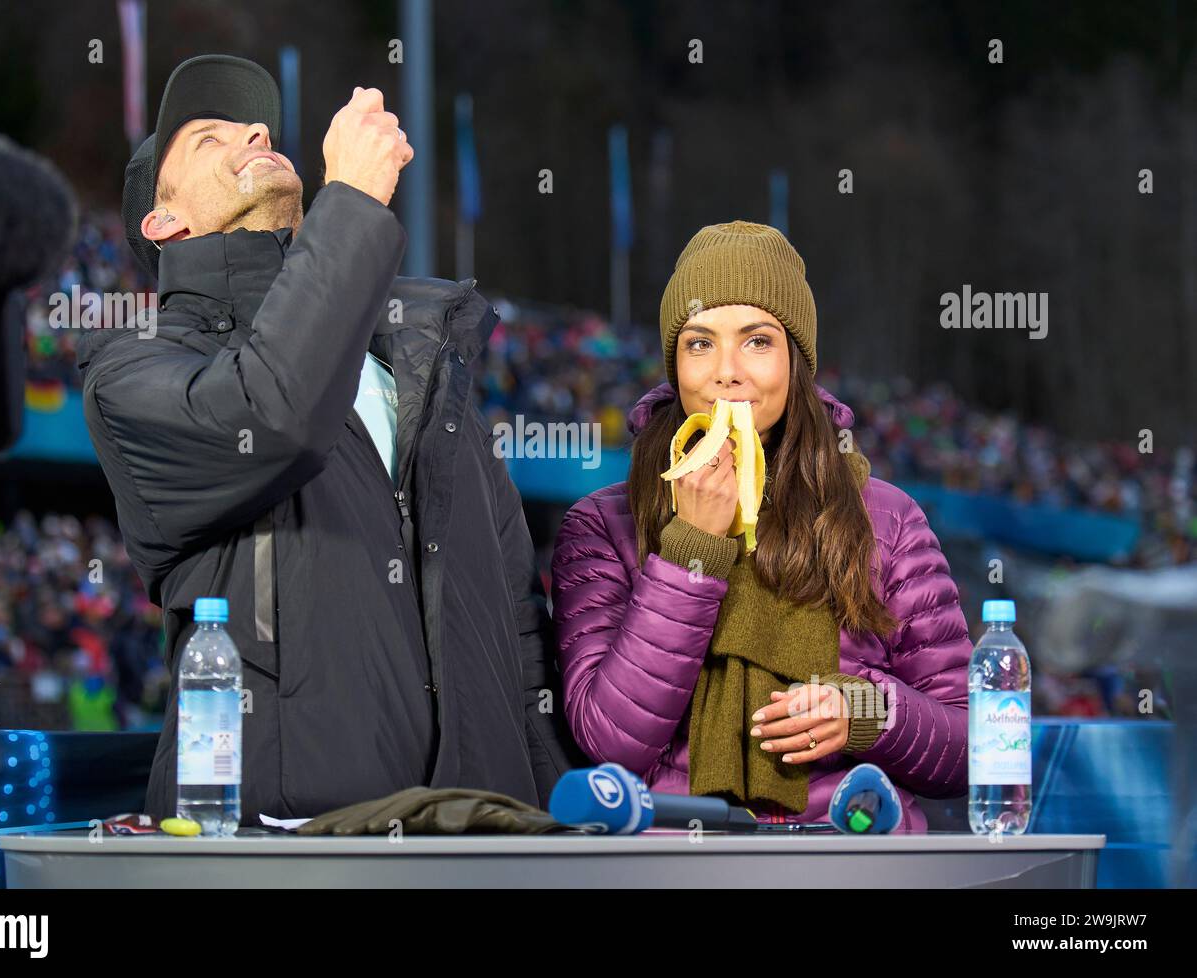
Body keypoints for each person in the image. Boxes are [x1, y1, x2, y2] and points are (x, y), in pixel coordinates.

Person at [78, 55, 580, 822]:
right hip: (281, 844)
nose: (253, 131)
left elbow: (518, 628)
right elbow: (273, 416)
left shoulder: (423, 376)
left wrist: (556, 824)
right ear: (165, 219)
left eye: (257, 127)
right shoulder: (130, 371)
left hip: (474, 834)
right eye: (209, 139)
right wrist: (350, 203)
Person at [550, 221, 970, 832]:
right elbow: (610, 741)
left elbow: (971, 749)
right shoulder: (601, 524)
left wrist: (867, 712)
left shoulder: (887, 518)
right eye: (699, 343)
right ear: (673, 364)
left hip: (851, 865)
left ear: (797, 361)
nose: (726, 372)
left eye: (756, 342)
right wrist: (692, 549)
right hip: (682, 868)